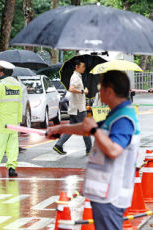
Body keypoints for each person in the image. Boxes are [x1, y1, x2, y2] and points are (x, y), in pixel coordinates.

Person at [47, 71, 139, 230]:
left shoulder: (123, 119)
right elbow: (87, 128)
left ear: (109, 91)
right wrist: (61, 128)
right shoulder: (116, 114)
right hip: (105, 193)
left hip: (111, 195)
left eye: (100, 88)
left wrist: (95, 131)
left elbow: (114, 150)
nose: (98, 92)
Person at [53, 59, 92, 156]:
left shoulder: (78, 76)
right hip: (78, 109)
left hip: (75, 108)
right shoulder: (75, 77)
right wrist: (83, 92)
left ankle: (59, 145)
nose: (84, 68)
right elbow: (71, 89)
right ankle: (89, 150)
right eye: (82, 66)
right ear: (77, 67)